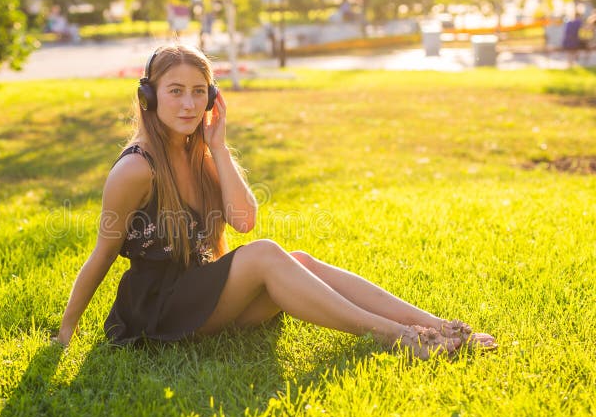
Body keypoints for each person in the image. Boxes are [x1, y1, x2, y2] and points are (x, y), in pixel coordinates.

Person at [55, 44, 496, 359]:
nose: (189, 104)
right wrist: (65, 333)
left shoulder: (200, 151)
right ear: (149, 97)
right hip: (157, 312)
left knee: (298, 259)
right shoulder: (136, 169)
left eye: (199, 91)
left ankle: (439, 326)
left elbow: (243, 221)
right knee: (267, 255)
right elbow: (102, 254)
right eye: (175, 90)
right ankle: (401, 337)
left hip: (201, 294)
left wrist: (220, 148)